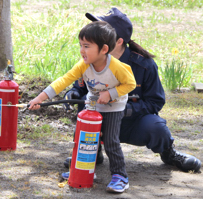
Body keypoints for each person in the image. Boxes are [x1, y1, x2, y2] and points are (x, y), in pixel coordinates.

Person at [63, 7, 202, 175]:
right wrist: (73, 93)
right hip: (101, 119)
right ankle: (91, 152)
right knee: (85, 101)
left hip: (132, 123)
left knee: (157, 127)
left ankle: (169, 154)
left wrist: (126, 110)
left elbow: (155, 102)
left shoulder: (144, 66)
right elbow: (82, 85)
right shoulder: (90, 60)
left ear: (118, 41)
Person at [29, 21, 136, 193]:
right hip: (93, 105)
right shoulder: (83, 65)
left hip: (114, 107)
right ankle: (84, 170)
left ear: (104, 49)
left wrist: (110, 94)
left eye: (87, 46)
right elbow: (63, 80)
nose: (82, 50)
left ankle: (120, 176)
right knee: (84, 138)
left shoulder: (116, 67)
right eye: (80, 45)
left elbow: (130, 84)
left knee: (110, 141)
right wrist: (39, 98)